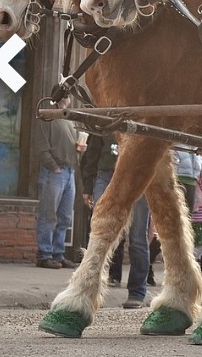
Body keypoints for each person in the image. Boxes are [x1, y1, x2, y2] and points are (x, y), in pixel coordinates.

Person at [81, 132, 150, 309]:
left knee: (138, 238)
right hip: (107, 173)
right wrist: (88, 185)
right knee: (99, 233)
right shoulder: (105, 116)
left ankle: (137, 292)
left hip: (138, 174)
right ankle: (87, 288)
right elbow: (93, 151)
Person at [34, 98, 82, 269]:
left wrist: (79, 150)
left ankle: (58, 254)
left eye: (67, 96)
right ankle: (44, 255)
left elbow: (75, 145)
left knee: (65, 216)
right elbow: (41, 147)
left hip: (69, 171)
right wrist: (54, 167)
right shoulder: (47, 117)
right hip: (54, 172)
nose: (65, 99)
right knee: (49, 215)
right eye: (61, 95)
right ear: (54, 98)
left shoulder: (69, 120)